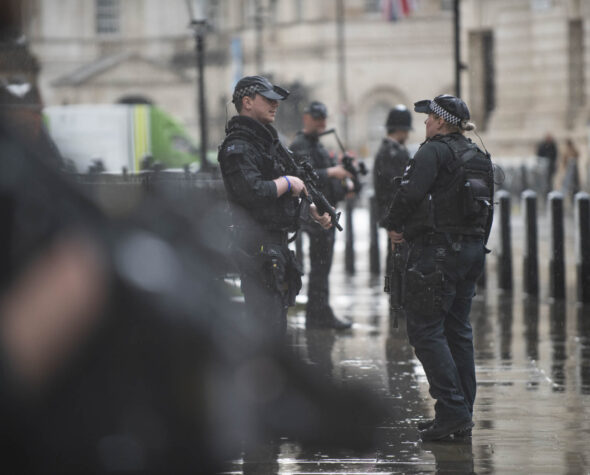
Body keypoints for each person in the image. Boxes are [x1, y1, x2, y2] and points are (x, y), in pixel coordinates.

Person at [382, 94, 494, 441]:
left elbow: (410, 193)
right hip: (471, 251)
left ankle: (454, 410)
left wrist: (394, 225)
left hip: (439, 253)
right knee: (457, 330)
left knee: (425, 331)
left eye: (430, 117)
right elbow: (488, 208)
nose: (426, 123)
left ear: (442, 122)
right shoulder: (478, 154)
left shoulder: (433, 150)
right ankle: (457, 412)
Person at [218, 76, 332, 340]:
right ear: (247, 102)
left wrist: (312, 207)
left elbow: (295, 180)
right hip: (257, 245)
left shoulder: (267, 141)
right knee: (265, 330)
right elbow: (251, 191)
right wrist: (286, 183)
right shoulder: (238, 146)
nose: (275, 105)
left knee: (276, 326)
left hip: (276, 246)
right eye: (268, 100)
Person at [289, 101, 353, 330]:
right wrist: (332, 171)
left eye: (323, 120)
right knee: (320, 268)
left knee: (322, 269)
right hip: (316, 216)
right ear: (307, 119)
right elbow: (302, 176)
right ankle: (318, 316)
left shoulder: (316, 144)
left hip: (325, 211)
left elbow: (323, 180)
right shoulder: (301, 144)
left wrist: (344, 184)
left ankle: (320, 313)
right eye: (317, 120)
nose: (322, 124)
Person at [373, 104, 412, 314]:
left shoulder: (388, 151)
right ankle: (398, 303)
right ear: (401, 130)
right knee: (398, 261)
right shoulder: (392, 153)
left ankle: (397, 301)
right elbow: (395, 189)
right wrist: (394, 220)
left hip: (391, 215)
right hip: (395, 217)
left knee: (396, 260)